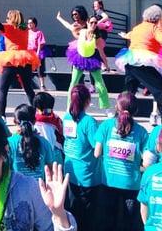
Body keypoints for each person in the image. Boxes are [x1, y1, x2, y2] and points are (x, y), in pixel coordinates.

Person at [94, 92, 148, 231]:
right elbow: (147, 161)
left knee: (107, 221)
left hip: (108, 182)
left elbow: (97, 153)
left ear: (117, 107)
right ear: (135, 109)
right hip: (131, 185)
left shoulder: (106, 125)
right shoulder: (141, 131)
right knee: (129, 223)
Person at [0, 5, 40, 116]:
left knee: (3, 90)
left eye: (8, 17)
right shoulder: (25, 29)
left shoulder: (8, 27)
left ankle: (1, 116)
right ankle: (37, 113)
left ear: (12, 18)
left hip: (11, 60)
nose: (7, 19)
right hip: (24, 60)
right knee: (28, 89)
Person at [63, 84, 101, 231]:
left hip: (70, 170)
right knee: (87, 215)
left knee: (73, 210)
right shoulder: (89, 122)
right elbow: (96, 146)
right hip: (87, 174)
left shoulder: (67, 117)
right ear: (87, 100)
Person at [58, 11, 111, 114]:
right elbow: (68, 26)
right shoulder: (81, 32)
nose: (93, 25)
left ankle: (106, 108)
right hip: (79, 58)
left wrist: (107, 65)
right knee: (73, 83)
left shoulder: (97, 37)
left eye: (95, 23)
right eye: (91, 22)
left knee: (100, 84)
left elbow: (102, 53)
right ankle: (69, 108)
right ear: (87, 22)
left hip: (92, 59)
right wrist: (59, 18)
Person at [8, 104, 54, 179]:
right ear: (34, 121)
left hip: (16, 189)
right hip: (39, 188)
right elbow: (51, 170)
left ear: (14, 122)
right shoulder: (45, 143)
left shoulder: (9, 143)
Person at [33, 92, 64, 164]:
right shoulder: (55, 117)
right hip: (57, 152)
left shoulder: (36, 121)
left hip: (46, 153)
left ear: (37, 107)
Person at [28, 17, 49, 91]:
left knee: (40, 69)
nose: (29, 25)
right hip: (29, 53)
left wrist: (37, 52)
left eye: (31, 23)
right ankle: (28, 85)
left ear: (34, 24)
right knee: (28, 69)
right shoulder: (27, 32)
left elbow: (41, 43)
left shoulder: (39, 32)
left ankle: (42, 85)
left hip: (38, 52)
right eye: (28, 23)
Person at [92, 0, 113, 71]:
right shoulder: (97, 13)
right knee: (99, 50)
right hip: (99, 33)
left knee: (100, 50)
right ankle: (103, 65)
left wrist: (98, 22)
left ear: (100, 5)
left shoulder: (100, 12)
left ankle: (105, 66)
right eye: (94, 4)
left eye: (96, 4)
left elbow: (106, 17)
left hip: (101, 33)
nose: (94, 5)